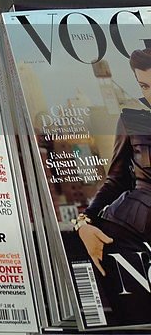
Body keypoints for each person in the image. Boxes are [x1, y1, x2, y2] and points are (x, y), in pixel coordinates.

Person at [74, 48, 151, 276]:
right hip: (127, 229)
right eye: (145, 86)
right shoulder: (132, 116)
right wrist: (84, 223)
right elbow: (116, 180)